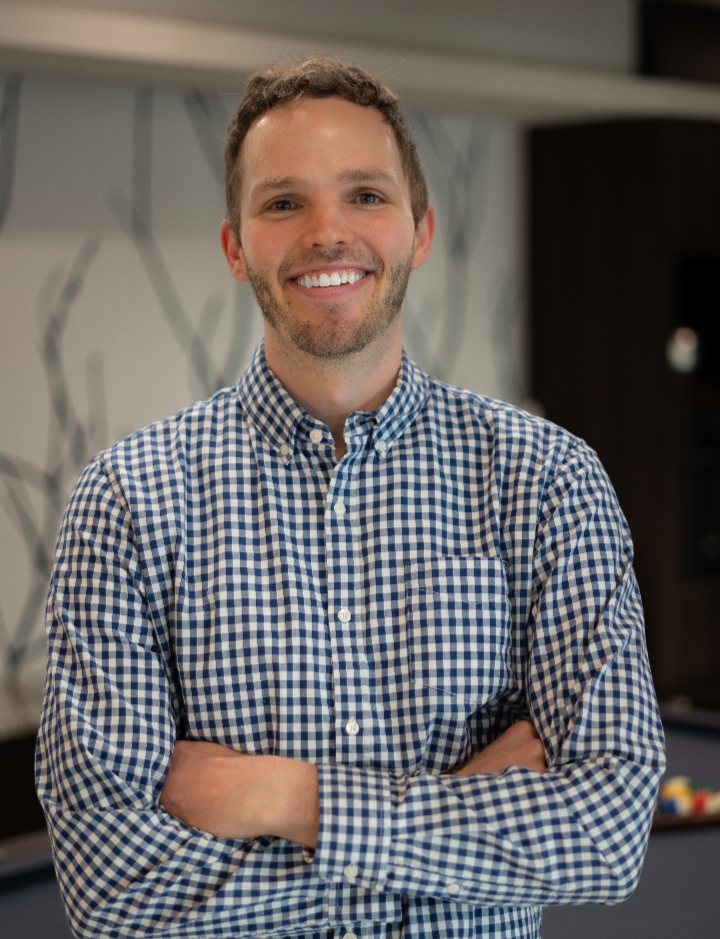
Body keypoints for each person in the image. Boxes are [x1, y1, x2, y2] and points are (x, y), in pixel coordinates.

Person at [37, 58, 665, 939]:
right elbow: (116, 888)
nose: (329, 231)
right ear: (234, 245)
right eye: (283, 202)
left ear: (420, 231)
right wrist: (463, 812)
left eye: (366, 194)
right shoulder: (127, 502)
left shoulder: (548, 479)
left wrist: (281, 796)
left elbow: (605, 835)